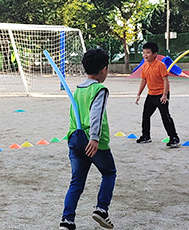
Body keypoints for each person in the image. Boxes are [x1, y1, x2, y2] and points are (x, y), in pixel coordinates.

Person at [60, 49, 116, 230]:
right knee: (109, 173)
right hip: (92, 140)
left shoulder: (78, 89)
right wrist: (94, 138)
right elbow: (96, 115)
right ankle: (101, 209)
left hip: (74, 138)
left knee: (76, 181)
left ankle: (67, 220)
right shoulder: (99, 89)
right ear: (104, 69)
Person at [134, 43, 180, 147]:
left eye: (148, 53)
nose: (145, 55)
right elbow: (143, 81)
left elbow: (165, 81)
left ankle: (174, 137)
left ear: (155, 54)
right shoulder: (145, 66)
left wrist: (164, 95)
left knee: (165, 116)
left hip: (161, 94)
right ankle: (146, 136)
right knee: (146, 115)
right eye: (144, 53)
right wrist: (139, 94)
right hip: (151, 94)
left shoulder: (160, 65)